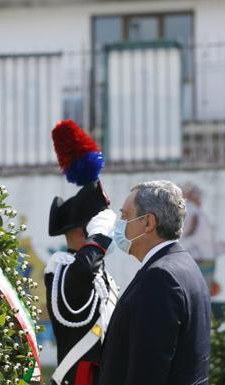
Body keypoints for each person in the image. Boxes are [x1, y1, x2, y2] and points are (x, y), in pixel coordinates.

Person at [99, 181, 211, 385]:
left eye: (125, 216)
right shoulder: (185, 265)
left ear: (148, 222)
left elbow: (148, 370)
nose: (120, 224)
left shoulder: (160, 277)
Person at [45, 120, 118, 385]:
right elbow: (81, 273)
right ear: (83, 231)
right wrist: (99, 237)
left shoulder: (97, 274)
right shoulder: (63, 270)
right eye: (99, 225)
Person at [181, 183, 216, 290]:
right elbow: (186, 235)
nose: (200, 198)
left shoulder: (195, 212)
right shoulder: (191, 211)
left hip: (201, 260)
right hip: (199, 260)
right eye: (197, 194)